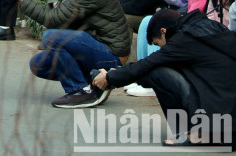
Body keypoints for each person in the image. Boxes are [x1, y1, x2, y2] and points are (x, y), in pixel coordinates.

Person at [2, 0, 132, 108]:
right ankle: (93, 80)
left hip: (112, 56)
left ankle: (81, 91)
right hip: (95, 44)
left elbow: (53, 19)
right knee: (38, 63)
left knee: (51, 36)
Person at [93, 9, 236, 147]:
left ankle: (189, 133)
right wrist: (116, 75)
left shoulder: (183, 39)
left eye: (158, 43)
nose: (160, 48)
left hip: (218, 121)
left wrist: (110, 78)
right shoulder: (205, 26)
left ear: (163, 31)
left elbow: (148, 64)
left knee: (157, 72)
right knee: (153, 71)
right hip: (228, 117)